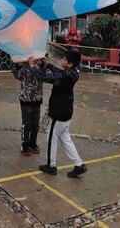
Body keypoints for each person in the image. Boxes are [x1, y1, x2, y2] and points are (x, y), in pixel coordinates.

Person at [30, 50, 87, 179]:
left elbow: (42, 77)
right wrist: (46, 64)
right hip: (66, 111)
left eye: (64, 59)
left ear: (70, 64)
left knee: (51, 138)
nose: (61, 59)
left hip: (59, 112)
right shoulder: (72, 73)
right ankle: (79, 164)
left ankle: (51, 166)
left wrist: (33, 65)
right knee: (65, 139)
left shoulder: (64, 76)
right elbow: (58, 72)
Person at [11, 60, 43, 156]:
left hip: (37, 98)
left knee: (35, 123)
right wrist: (18, 65)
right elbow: (17, 74)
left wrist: (42, 64)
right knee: (27, 123)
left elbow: (45, 75)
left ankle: (33, 143)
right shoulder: (23, 66)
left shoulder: (39, 64)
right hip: (25, 98)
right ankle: (25, 145)